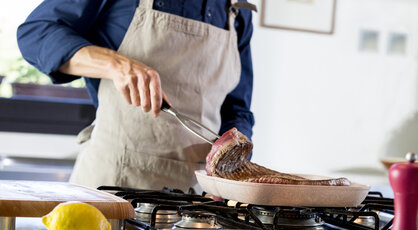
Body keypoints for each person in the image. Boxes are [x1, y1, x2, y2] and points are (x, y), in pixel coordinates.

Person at [17, 0, 256, 192]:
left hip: (195, 201)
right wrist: (116, 65)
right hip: (111, 185)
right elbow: (37, 33)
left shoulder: (238, 12)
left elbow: (237, 110)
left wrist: (231, 167)